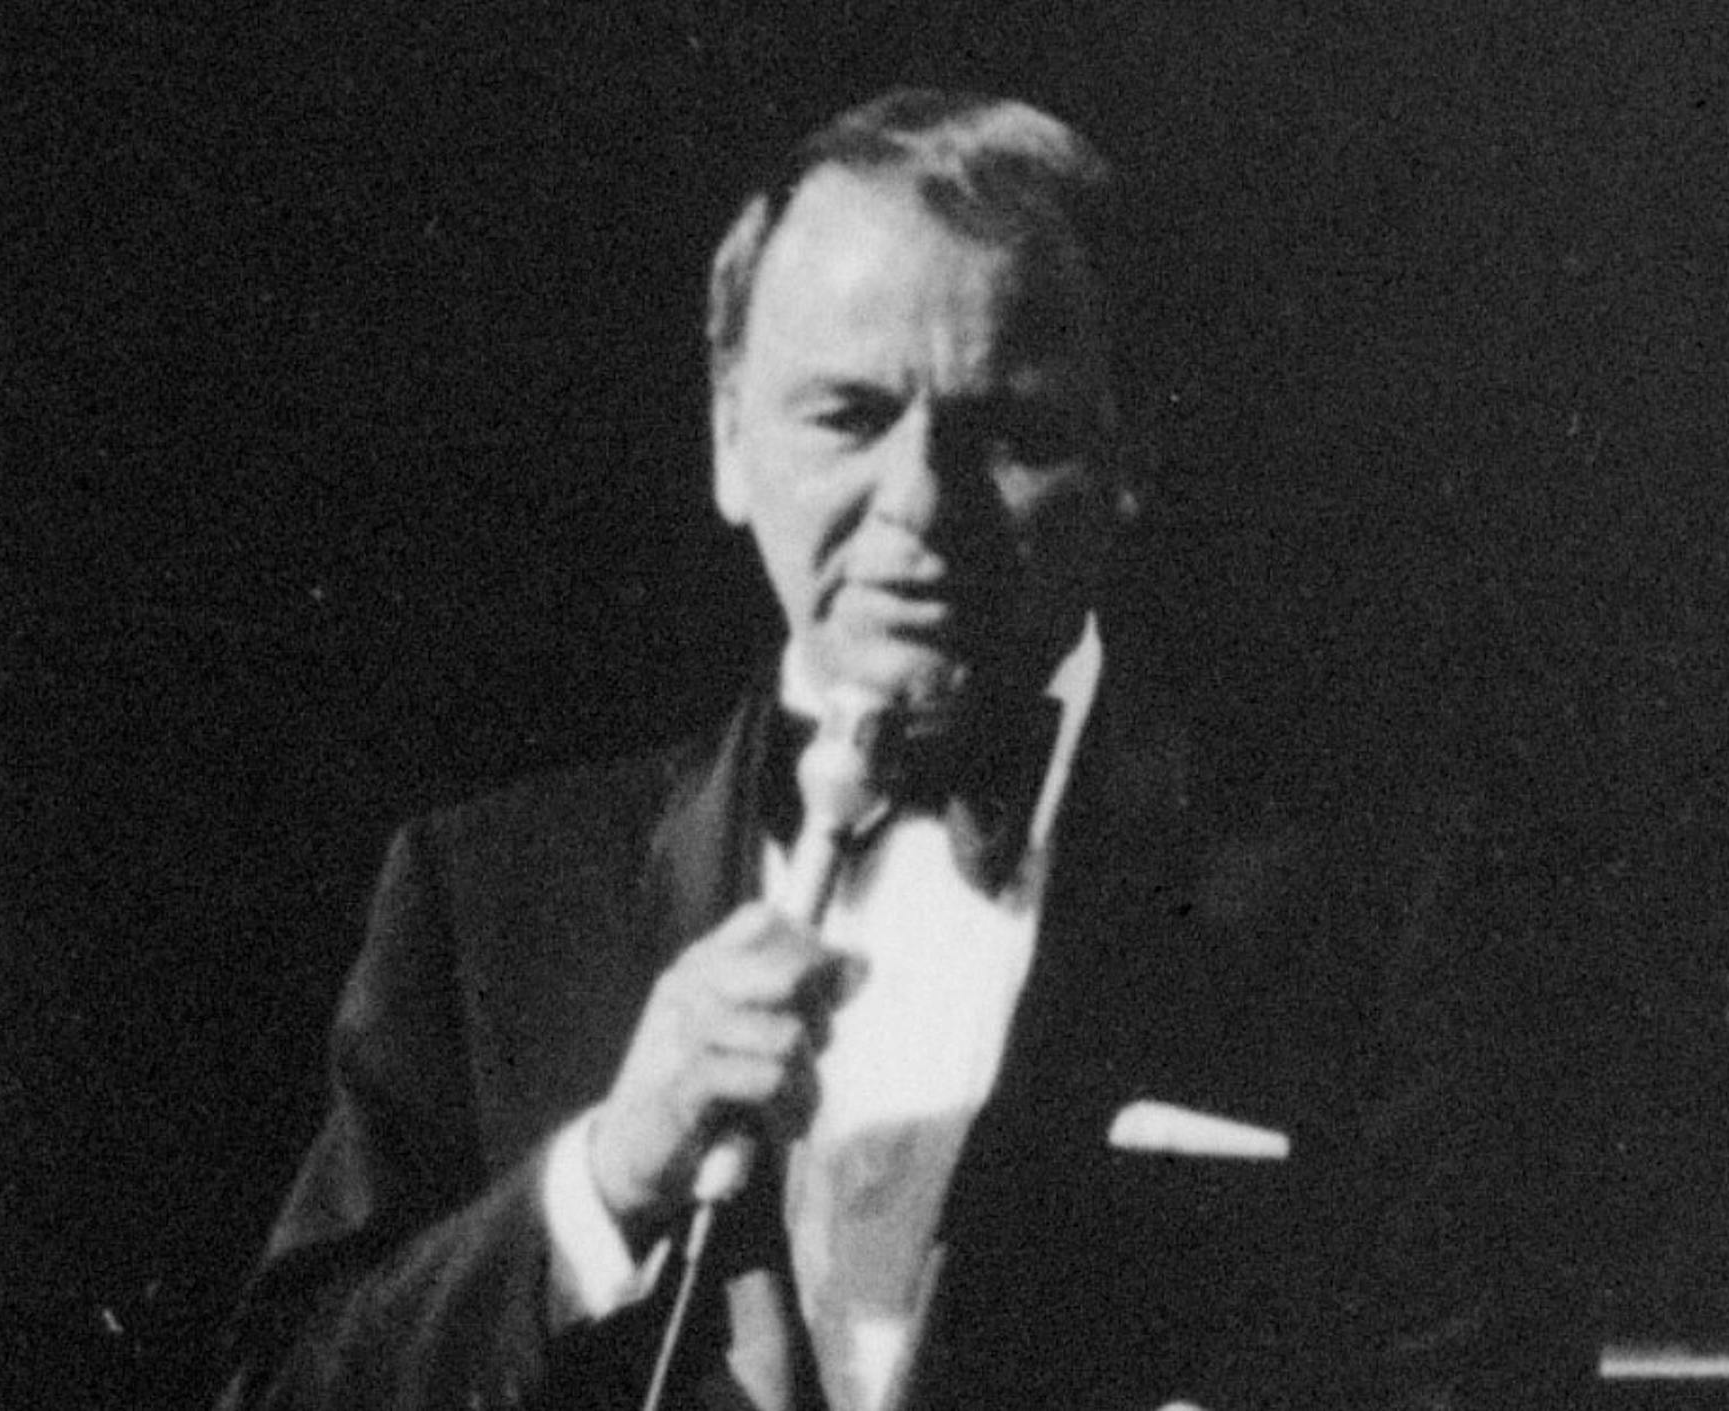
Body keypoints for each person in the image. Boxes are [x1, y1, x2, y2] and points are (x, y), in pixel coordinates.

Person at [216, 89, 1585, 1411]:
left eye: (1012, 432)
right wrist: (601, 1177)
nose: (920, 507)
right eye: (848, 417)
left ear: (1128, 452)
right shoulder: (488, 897)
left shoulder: (1386, 902)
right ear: (728, 441)